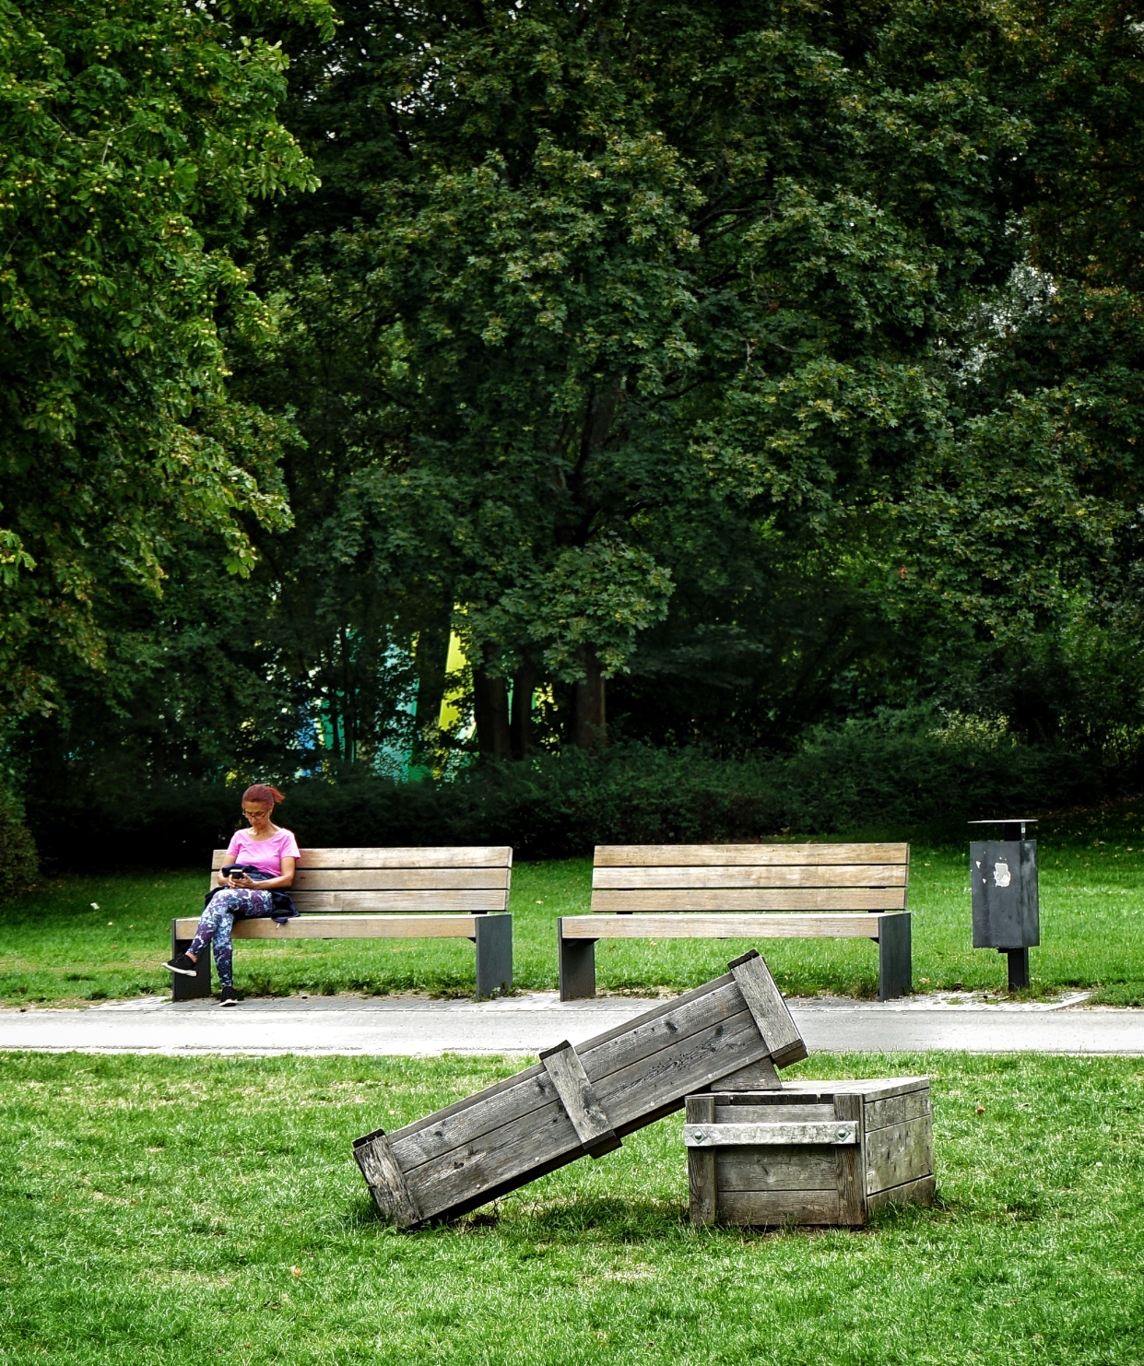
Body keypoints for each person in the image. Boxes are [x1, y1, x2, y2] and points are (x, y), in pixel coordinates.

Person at [163, 784, 299, 1006]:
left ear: (270, 809)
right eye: (249, 814)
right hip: (234, 895)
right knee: (222, 917)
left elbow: (287, 878)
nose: (254, 819)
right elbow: (220, 878)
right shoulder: (239, 837)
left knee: (221, 899)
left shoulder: (284, 838)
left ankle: (190, 957)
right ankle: (227, 989)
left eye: (259, 814)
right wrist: (231, 881)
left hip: (265, 895)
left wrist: (255, 885)